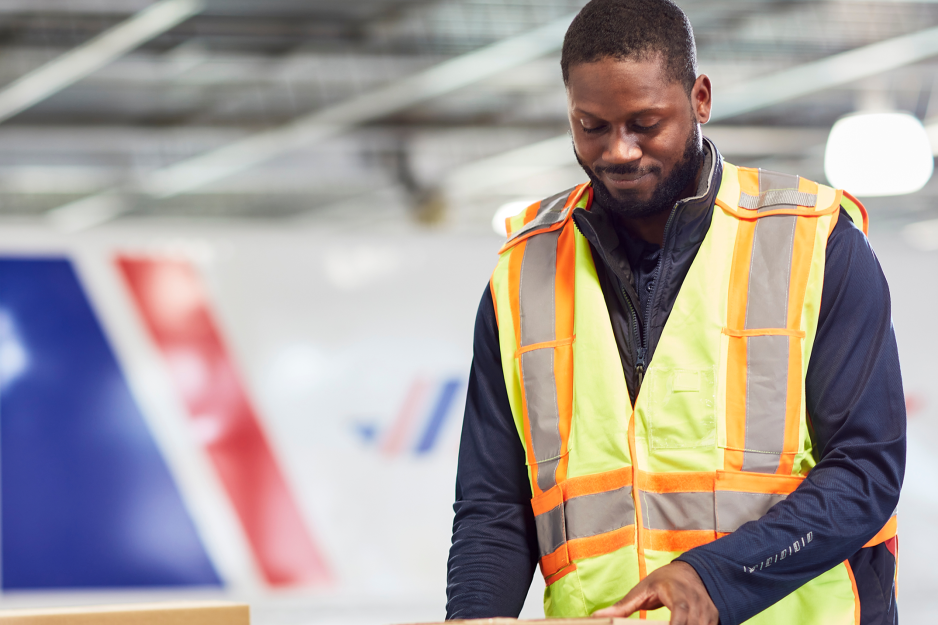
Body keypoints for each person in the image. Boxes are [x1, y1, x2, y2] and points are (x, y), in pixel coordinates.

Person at [444, 1, 905, 624]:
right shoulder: (523, 270)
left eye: (645, 122)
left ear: (701, 98)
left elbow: (865, 471)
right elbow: (494, 504)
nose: (620, 151)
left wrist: (715, 575)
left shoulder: (816, 242)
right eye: (592, 126)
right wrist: (471, 617)